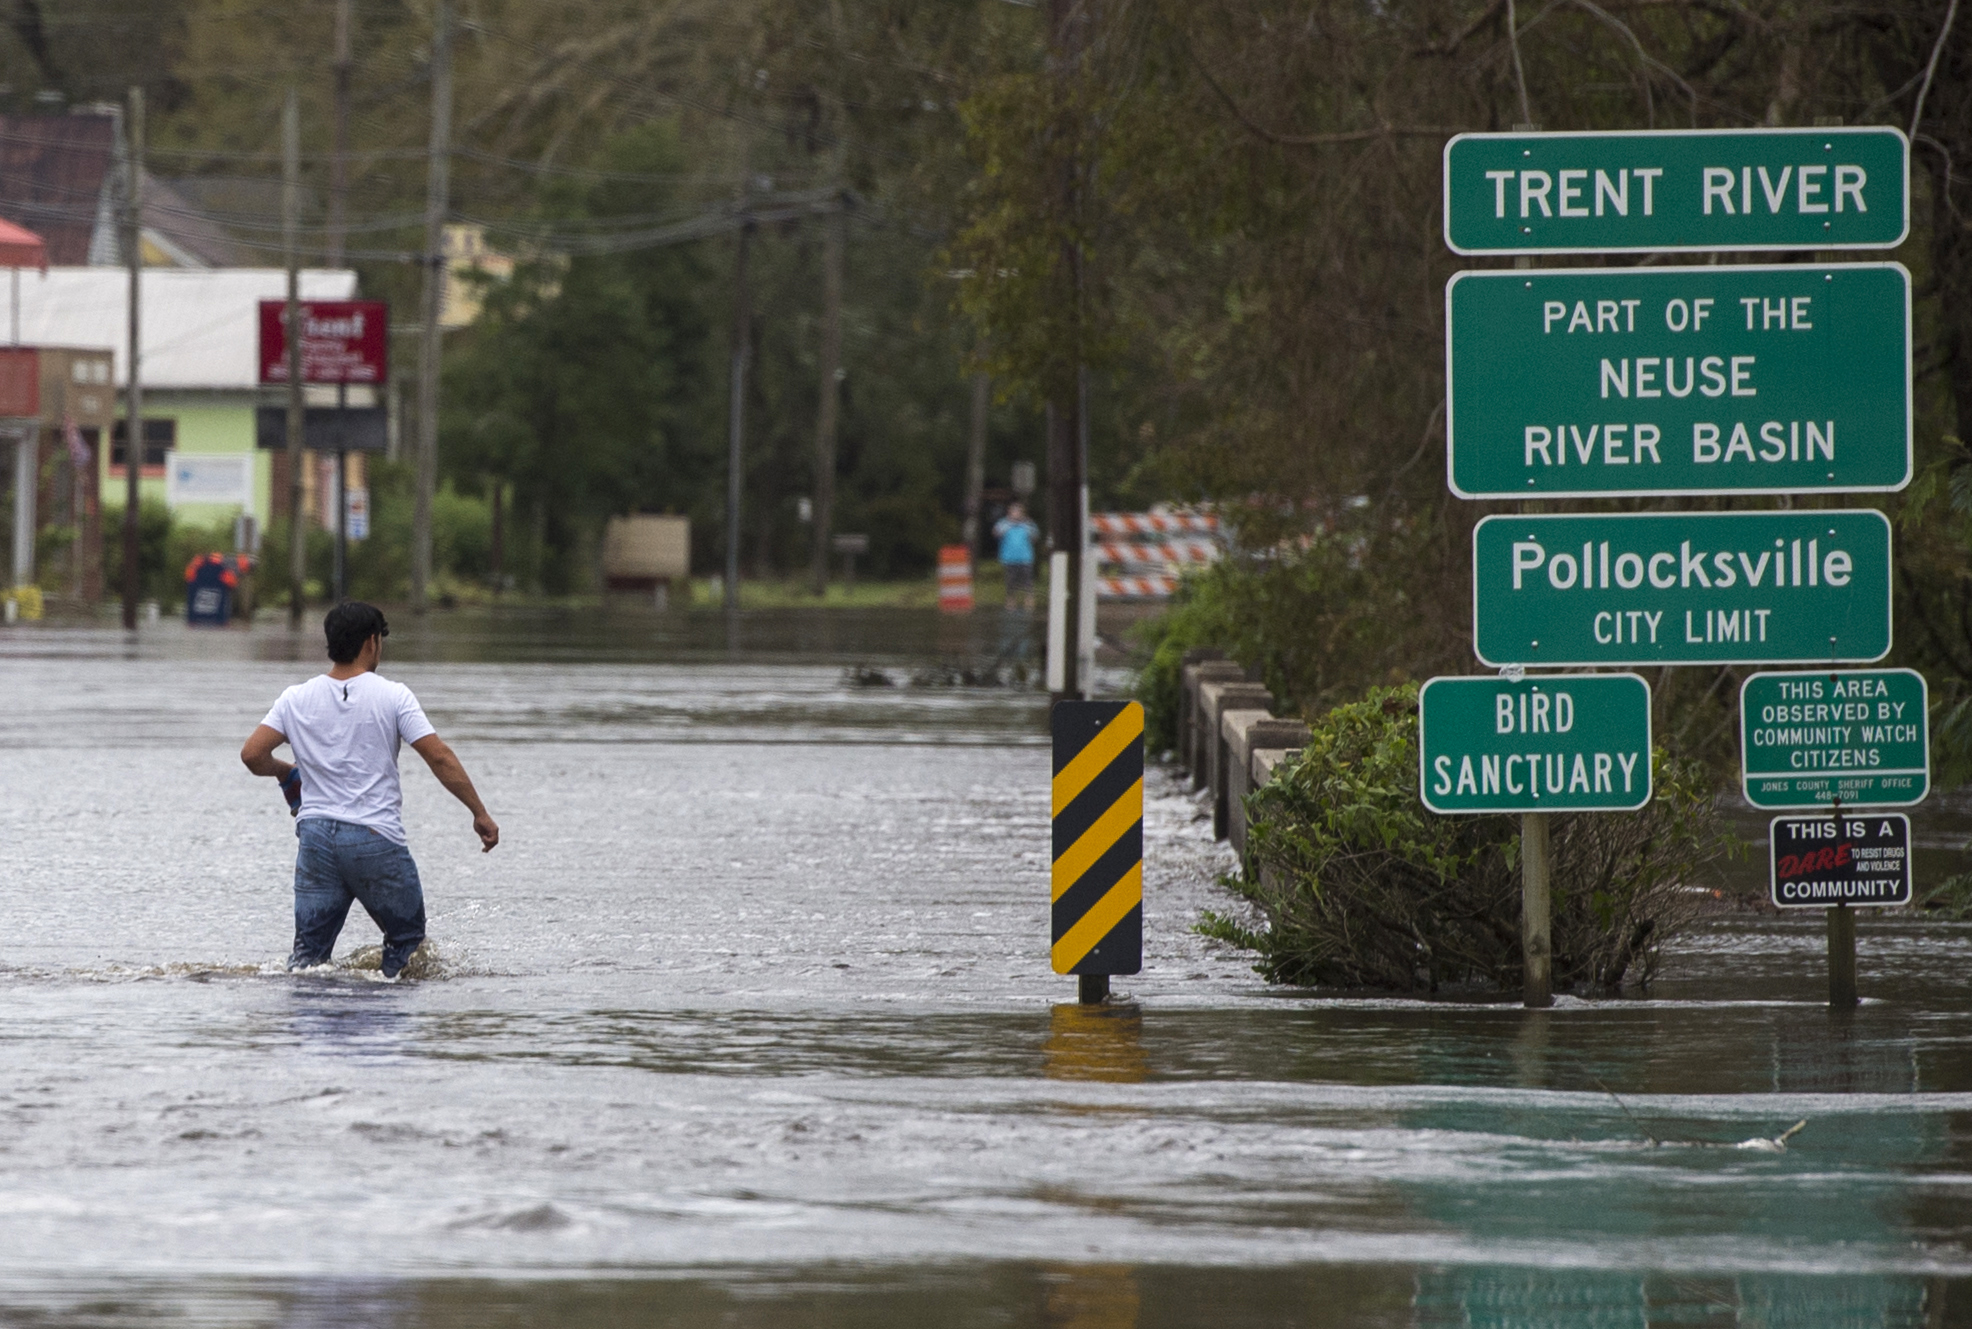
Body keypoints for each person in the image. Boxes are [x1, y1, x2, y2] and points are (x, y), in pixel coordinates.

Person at [240, 602, 498, 980]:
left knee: (308, 960)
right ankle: (383, 1013)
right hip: (373, 836)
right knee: (408, 944)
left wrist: (285, 771)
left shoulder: (295, 698)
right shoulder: (393, 696)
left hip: (315, 839)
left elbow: (252, 754)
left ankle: (310, 1030)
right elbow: (439, 757)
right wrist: (479, 811)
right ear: (372, 642)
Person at [993, 500, 1041, 613]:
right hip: (1009, 557)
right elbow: (996, 533)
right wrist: (1008, 524)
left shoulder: (1027, 524)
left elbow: (1035, 537)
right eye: (1013, 512)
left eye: (1018, 512)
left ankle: (1029, 599)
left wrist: (1027, 526)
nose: (1016, 514)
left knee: (1027, 580)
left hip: (1025, 557)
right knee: (1010, 580)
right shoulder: (1004, 523)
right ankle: (1011, 599)